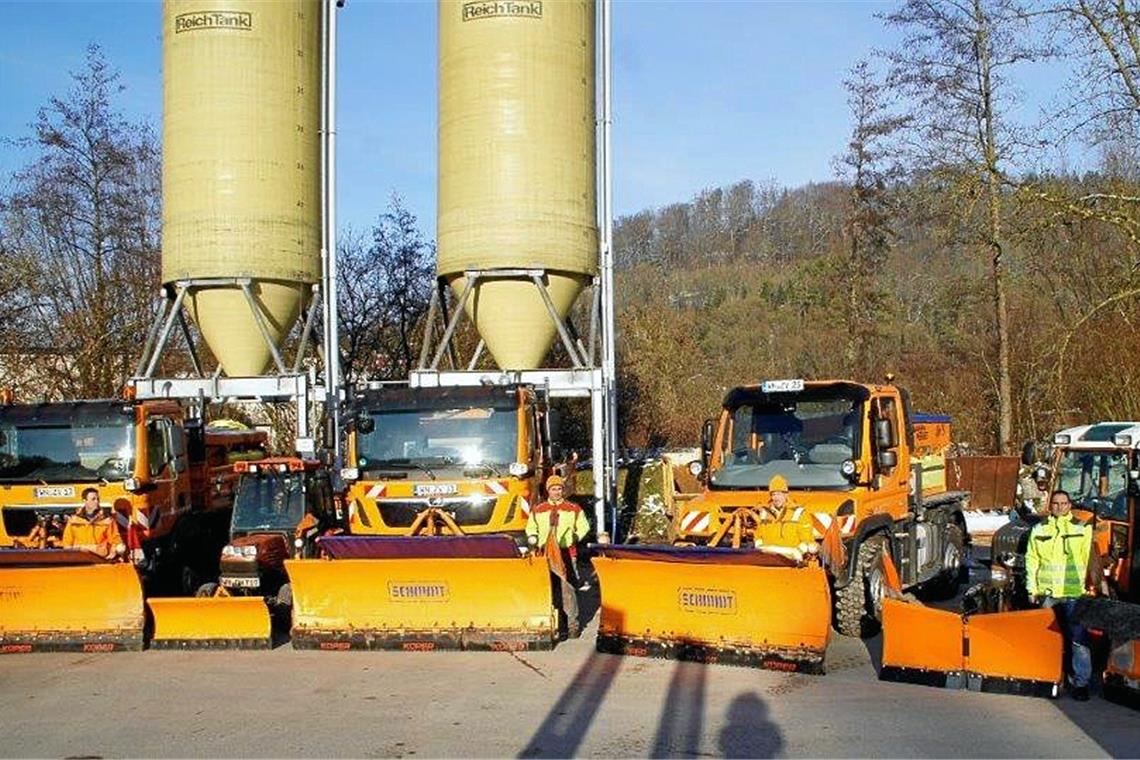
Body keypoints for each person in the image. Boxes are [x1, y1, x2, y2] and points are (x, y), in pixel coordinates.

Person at [1025, 489, 1103, 701]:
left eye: (1063, 503)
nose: (1059, 507)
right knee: (1045, 638)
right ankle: (1046, 676)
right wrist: (1031, 589)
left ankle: (1080, 683)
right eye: (1056, 504)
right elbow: (1032, 561)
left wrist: (1093, 584)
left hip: (1073, 593)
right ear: (1050, 506)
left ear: (1069, 505)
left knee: (1078, 639)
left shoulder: (1082, 528)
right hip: (1047, 593)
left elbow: (1090, 558)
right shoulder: (1039, 529)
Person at [526, 474, 590, 638]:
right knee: (549, 589)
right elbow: (531, 527)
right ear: (548, 491)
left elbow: (583, 527)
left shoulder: (573, 509)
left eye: (559, 489)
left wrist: (574, 538)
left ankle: (572, 625)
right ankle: (556, 624)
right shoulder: (538, 509)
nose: (557, 492)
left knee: (567, 588)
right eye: (553, 489)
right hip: (545, 554)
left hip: (567, 553)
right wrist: (533, 537)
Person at [62, 487, 125, 560]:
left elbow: (115, 540)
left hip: (101, 558)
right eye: (93, 499)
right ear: (84, 501)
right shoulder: (74, 521)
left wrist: (112, 554)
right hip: (78, 559)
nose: (97, 502)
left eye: (98, 499)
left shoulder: (107, 520)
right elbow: (67, 543)